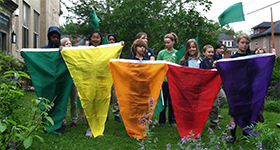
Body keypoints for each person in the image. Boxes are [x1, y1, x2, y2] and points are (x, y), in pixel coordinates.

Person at [226, 33, 252, 144]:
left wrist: (271, 58)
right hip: (235, 89)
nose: (244, 45)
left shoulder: (251, 57)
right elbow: (226, 69)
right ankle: (232, 135)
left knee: (247, 112)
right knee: (234, 113)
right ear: (237, 43)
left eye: (246, 43)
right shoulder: (232, 58)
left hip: (248, 88)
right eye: (242, 42)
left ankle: (245, 135)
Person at [157, 33, 180, 127]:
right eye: (165, 43)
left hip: (173, 81)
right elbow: (157, 65)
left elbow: (179, 66)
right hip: (163, 80)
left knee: (172, 102)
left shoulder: (177, 53)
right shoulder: (161, 53)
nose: (167, 44)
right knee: (163, 101)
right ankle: (162, 120)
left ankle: (172, 120)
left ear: (173, 42)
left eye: (168, 43)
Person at [200, 45, 224, 130]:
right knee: (213, 105)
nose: (211, 54)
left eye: (212, 52)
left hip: (216, 85)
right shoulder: (202, 62)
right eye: (209, 52)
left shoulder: (215, 61)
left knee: (222, 97)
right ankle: (212, 122)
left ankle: (213, 118)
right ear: (204, 53)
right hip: (207, 87)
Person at [60, 38, 78, 128]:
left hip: (73, 82)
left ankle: (74, 120)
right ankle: (63, 121)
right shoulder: (61, 55)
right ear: (63, 45)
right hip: (64, 82)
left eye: (70, 43)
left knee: (74, 102)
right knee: (64, 102)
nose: (69, 44)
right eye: (67, 43)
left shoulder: (74, 55)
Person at [106, 33, 123, 122]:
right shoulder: (103, 49)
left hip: (115, 75)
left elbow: (121, 61)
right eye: (110, 39)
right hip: (106, 75)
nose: (111, 41)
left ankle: (116, 114)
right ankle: (106, 115)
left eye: (113, 40)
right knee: (106, 96)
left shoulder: (118, 50)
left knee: (116, 96)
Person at [213, 43, 227, 119]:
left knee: (222, 97)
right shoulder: (213, 57)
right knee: (217, 99)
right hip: (213, 81)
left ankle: (215, 113)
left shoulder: (221, 57)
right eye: (220, 48)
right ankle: (213, 114)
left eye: (223, 49)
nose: (222, 50)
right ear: (216, 49)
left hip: (219, 81)